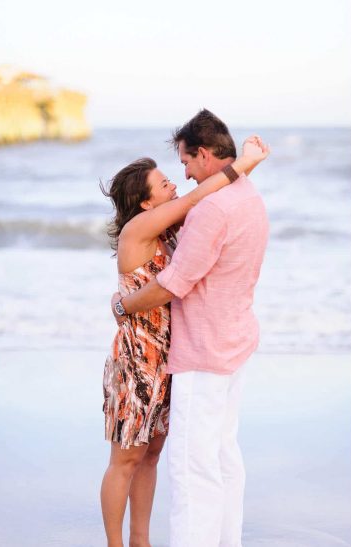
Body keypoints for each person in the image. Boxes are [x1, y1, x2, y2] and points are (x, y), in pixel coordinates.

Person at [100, 136, 267, 547]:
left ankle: (141, 540)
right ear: (144, 203)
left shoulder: (170, 227)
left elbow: (217, 200)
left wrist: (248, 168)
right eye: (163, 185)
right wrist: (246, 161)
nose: (175, 185)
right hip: (138, 358)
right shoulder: (139, 230)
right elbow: (203, 194)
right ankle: (114, 544)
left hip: (169, 357)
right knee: (125, 458)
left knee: (152, 454)